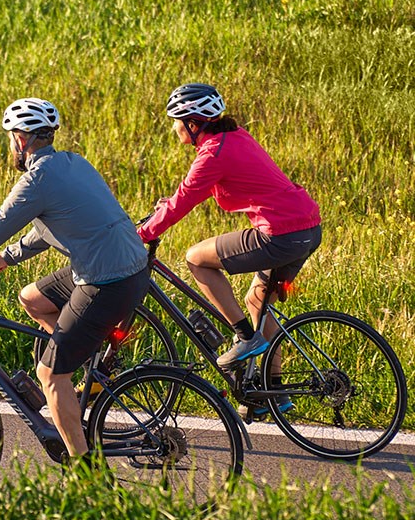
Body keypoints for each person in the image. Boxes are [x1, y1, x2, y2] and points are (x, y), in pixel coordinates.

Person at [0, 97, 149, 461]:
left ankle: (83, 469)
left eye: (10, 137)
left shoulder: (36, 180)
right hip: (131, 268)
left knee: (49, 376)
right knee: (32, 297)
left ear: (21, 140)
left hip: (106, 282)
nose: (10, 145)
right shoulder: (74, 163)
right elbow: (49, 228)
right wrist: (7, 258)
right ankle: (79, 377)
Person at [137, 83, 321, 416]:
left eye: (177, 120)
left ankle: (244, 337)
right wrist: (165, 208)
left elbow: (182, 203)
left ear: (193, 124)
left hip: (279, 234)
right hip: (307, 228)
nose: (174, 127)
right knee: (256, 300)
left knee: (196, 259)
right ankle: (274, 393)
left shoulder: (212, 154)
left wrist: (141, 234)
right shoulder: (235, 137)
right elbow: (195, 192)